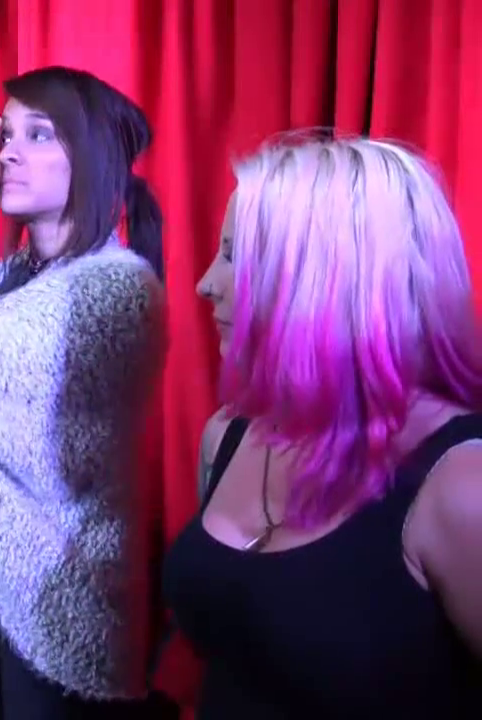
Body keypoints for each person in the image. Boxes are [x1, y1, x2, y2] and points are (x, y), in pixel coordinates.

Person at [162, 136, 482, 716]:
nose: (206, 281)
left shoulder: (461, 483)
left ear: (327, 276)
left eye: (236, 255)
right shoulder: (229, 436)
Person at [0, 66, 170, 719]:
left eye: (39, 134)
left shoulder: (118, 288)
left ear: (91, 157)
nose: (8, 153)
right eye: (8, 135)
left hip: (55, 592)